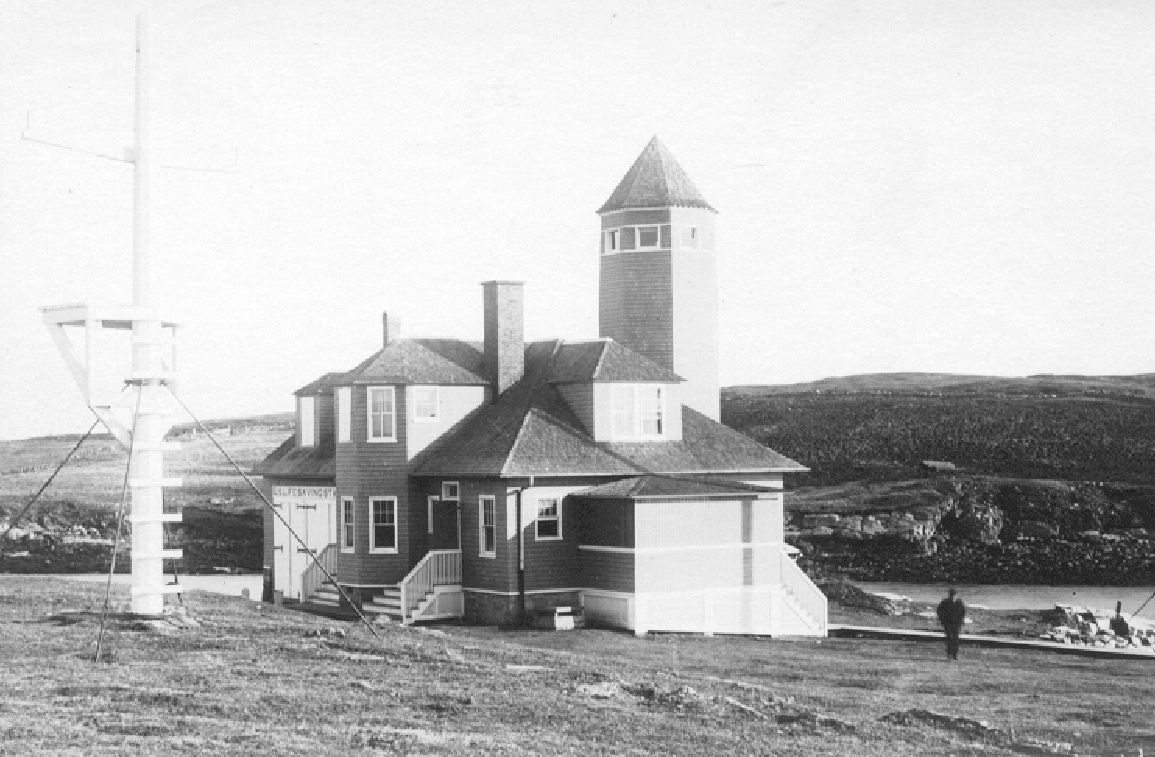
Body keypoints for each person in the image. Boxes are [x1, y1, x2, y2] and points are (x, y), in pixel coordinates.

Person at [936, 588, 966, 660]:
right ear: (949, 595)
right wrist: (942, 620)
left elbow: (963, 612)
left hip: (956, 623)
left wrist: (961, 620)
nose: (952, 597)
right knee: (949, 638)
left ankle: (955, 654)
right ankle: (949, 653)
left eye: (953, 595)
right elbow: (939, 611)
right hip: (948, 623)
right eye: (951, 595)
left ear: (956, 595)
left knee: (956, 638)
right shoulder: (945, 602)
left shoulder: (959, 602)